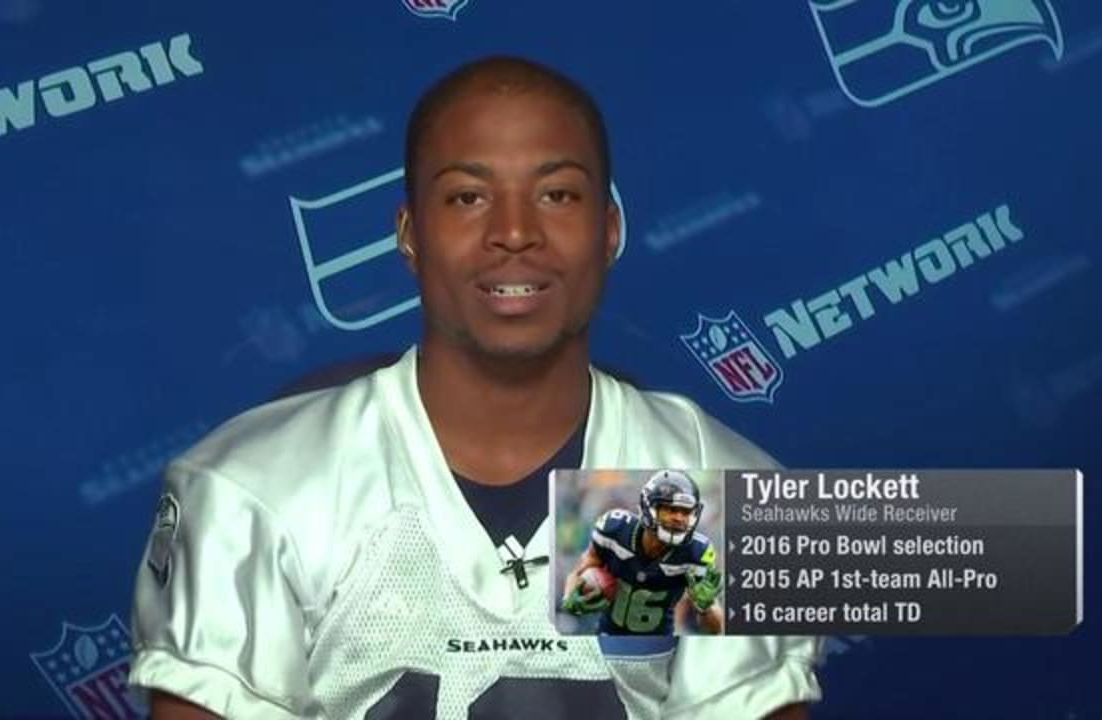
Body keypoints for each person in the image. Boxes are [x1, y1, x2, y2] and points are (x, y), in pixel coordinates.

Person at [128, 55, 821, 719]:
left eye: (556, 194)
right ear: (409, 234)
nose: (514, 232)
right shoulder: (251, 491)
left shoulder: (718, 487)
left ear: (609, 230)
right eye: (467, 196)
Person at [561, 470, 725, 636]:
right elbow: (580, 569)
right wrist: (569, 595)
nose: (678, 519)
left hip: (659, 645)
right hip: (606, 635)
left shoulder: (696, 552)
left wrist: (704, 607)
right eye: (670, 510)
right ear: (648, 507)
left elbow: (715, 629)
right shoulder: (615, 528)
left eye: (686, 512)